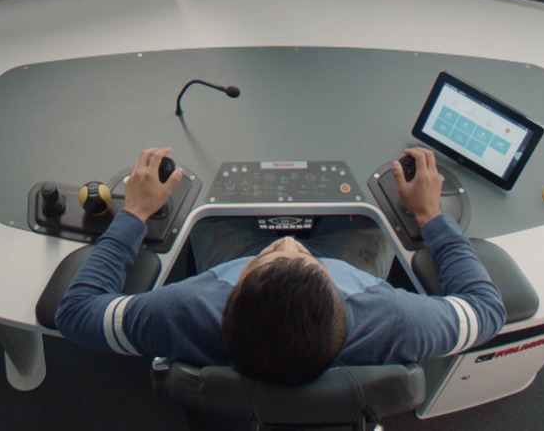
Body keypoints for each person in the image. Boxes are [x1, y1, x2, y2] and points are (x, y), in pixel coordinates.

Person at [56, 146, 506, 386]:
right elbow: (486, 310)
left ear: (225, 301)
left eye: (273, 255)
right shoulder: (394, 320)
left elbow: (75, 313)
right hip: (351, 262)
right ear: (345, 302)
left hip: (230, 256)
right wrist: (431, 216)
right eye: (304, 258)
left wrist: (135, 214)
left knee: (206, 210)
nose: (288, 241)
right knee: (373, 218)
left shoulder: (184, 311)